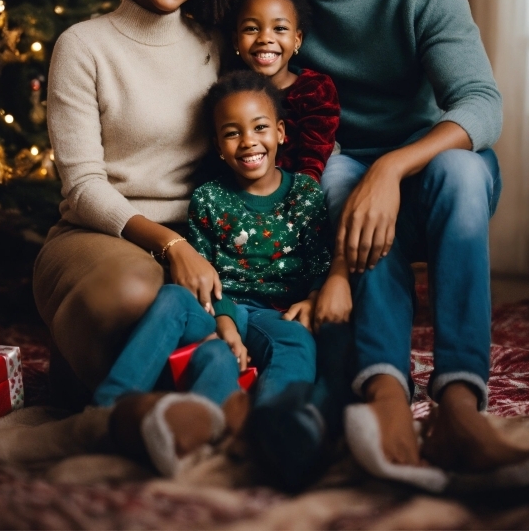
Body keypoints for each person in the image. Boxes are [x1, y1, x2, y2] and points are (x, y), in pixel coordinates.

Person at [273, 0, 529, 477]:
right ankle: (387, 395)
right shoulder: (276, 1)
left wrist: (390, 168)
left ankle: (459, 405)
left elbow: (482, 105)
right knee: (336, 184)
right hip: (340, 170)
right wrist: (366, 177)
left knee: (463, 172)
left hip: (429, 170)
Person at [33, 0, 248, 405]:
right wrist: (170, 245)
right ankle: (109, 402)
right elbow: (83, 187)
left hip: (199, 232)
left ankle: (146, 404)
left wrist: (198, 245)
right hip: (101, 232)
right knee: (142, 294)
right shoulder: (83, 45)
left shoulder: (214, 46)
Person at [107, 70, 352, 488]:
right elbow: (205, 269)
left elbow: (319, 259)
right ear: (219, 146)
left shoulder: (305, 195)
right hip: (219, 305)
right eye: (232, 133)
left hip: (273, 313)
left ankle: (270, 426)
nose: (248, 142)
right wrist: (223, 323)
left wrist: (312, 298)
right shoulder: (208, 198)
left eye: (259, 128)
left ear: (280, 133)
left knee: (298, 340)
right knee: (170, 299)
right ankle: (108, 408)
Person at [230, 0, 340, 182]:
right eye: (252, 28)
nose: (265, 39)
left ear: (297, 40)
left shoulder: (315, 89)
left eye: (279, 28)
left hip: (304, 189)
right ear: (236, 41)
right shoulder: (230, 93)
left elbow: (313, 162)